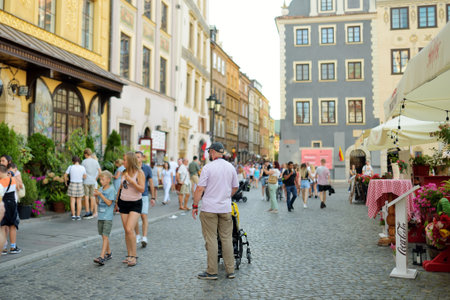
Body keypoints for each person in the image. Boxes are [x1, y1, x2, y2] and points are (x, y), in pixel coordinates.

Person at [192, 142, 239, 280]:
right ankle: (230, 270)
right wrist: (225, 196)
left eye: (209, 152)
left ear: (213, 152)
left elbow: (199, 189)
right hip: (225, 208)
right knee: (227, 238)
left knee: (211, 239)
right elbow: (235, 187)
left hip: (209, 208)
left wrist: (195, 206)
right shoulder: (231, 167)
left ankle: (212, 272)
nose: (208, 154)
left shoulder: (208, 167)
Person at [115, 152, 145, 267]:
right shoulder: (124, 172)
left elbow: (142, 189)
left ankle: (134, 256)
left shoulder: (139, 173)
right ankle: (129, 255)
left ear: (131, 161)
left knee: (129, 228)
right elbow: (121, 187)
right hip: (123, 203)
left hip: (135, 204)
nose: (123, 162)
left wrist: (132, 181)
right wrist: (117, 202)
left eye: (125, 160)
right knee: (126, 231)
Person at [93, 171, 116, 266]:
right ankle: (109, 253)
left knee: (105, 236)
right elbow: (99, 203)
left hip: (108, 216)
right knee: (103, 236)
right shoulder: (101, 189)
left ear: (108, 180)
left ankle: (102, 257)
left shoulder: (111, 190)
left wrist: (100, 195)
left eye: (103, 179)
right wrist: (96, 197)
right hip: (101, 216)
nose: (101, 181)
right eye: (100, 179)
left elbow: (109, 203)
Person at [134, 151, 156, 248]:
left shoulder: (147, 168)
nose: (137, 159)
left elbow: (151, 183)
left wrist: (153, 197)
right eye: (135, 157)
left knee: (143, 216)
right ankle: (137, 235)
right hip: (133, 196)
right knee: (135, 217)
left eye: (138, 157)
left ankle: (144, 237)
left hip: (144, 195)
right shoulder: (132, 168)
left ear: (142, 158)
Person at [0, 165, 21, 255]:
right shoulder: (12, 179)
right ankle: (13, 247)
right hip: (13, 204)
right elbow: (18, 188)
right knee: (12, 226)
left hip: (4, 205)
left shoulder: (1, 182)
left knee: (3, 226)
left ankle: (4, 247)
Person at [64, 156, 87, 221]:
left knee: (72, 201)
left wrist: (66, 182)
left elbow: (65, 175)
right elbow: (85, 176)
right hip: (80, 184)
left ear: (73, 161)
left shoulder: (70, 167)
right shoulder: (82, 168)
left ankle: (73, 215)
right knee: (79, 201)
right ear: (79, 161)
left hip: (72, 184)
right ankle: (78, 216)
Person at [82, 148, 102, 219]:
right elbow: (100, 172)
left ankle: (88, 212)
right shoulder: (95, 162)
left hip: (86, 181)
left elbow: (83, 172)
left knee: (86, 197)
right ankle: (92, 211)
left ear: (86, 154)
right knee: (92, 197)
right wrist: (96, 178)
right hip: (93, 181)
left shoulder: (84, 162)